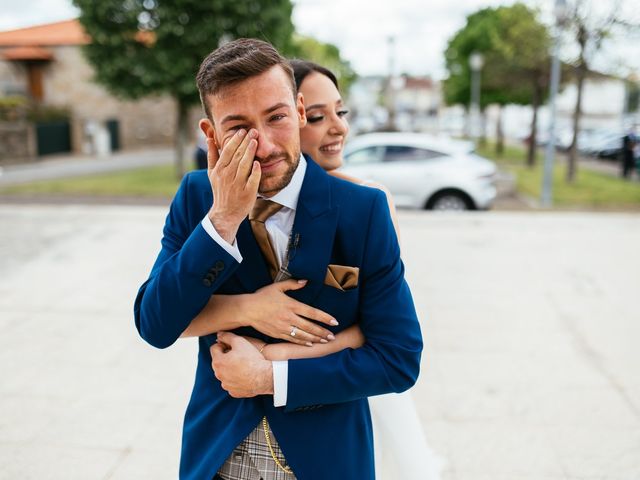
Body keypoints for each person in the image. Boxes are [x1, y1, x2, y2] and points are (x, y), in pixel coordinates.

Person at [134, 38, 422, 480]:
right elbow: (155, 325)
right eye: (239, 128)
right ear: (211, 134)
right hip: (218, 456)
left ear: (300, 109)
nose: (264, 145)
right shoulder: (196, 198)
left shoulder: (363, 211)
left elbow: (398, 359)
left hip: (327, 458)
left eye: (277, 117)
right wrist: (224, 218)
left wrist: (271, 376)